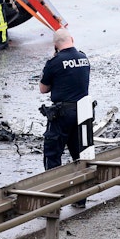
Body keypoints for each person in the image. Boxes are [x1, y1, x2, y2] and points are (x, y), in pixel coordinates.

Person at [39, 28, 91, 192]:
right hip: (83, 112)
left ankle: (54, 194)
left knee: (52, 154)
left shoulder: (54, 62)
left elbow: (43, 89)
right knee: (81, 155)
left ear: (55, 45)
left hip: (62, 114)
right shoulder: (84, 58)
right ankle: (81, 198)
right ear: (72, 39)